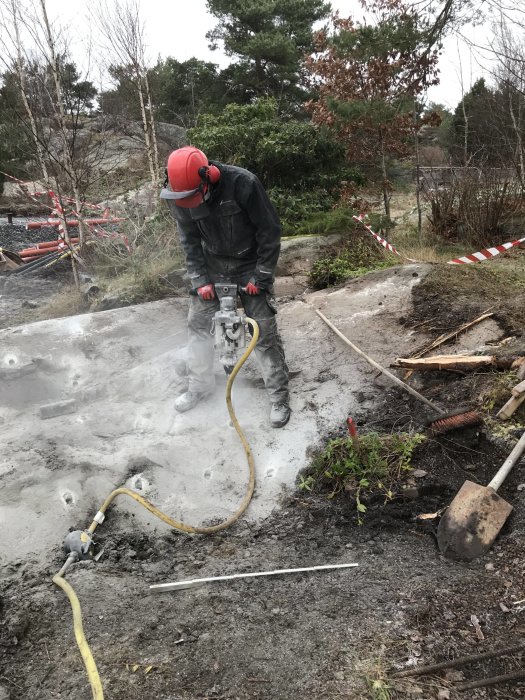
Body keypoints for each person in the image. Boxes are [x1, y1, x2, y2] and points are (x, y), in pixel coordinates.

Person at [160, 146, 290, 428]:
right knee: (197, 326)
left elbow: (269, 232)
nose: (190, 204)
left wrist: (262, 276)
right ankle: (199, 386)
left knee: (263, 331)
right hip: (212, 264)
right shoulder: (179, 195)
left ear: (210, 177)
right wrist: (200, 280)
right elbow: (189, 242)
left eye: (194, 196)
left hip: (250, 262)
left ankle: (279, 397)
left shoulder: (244, 184)